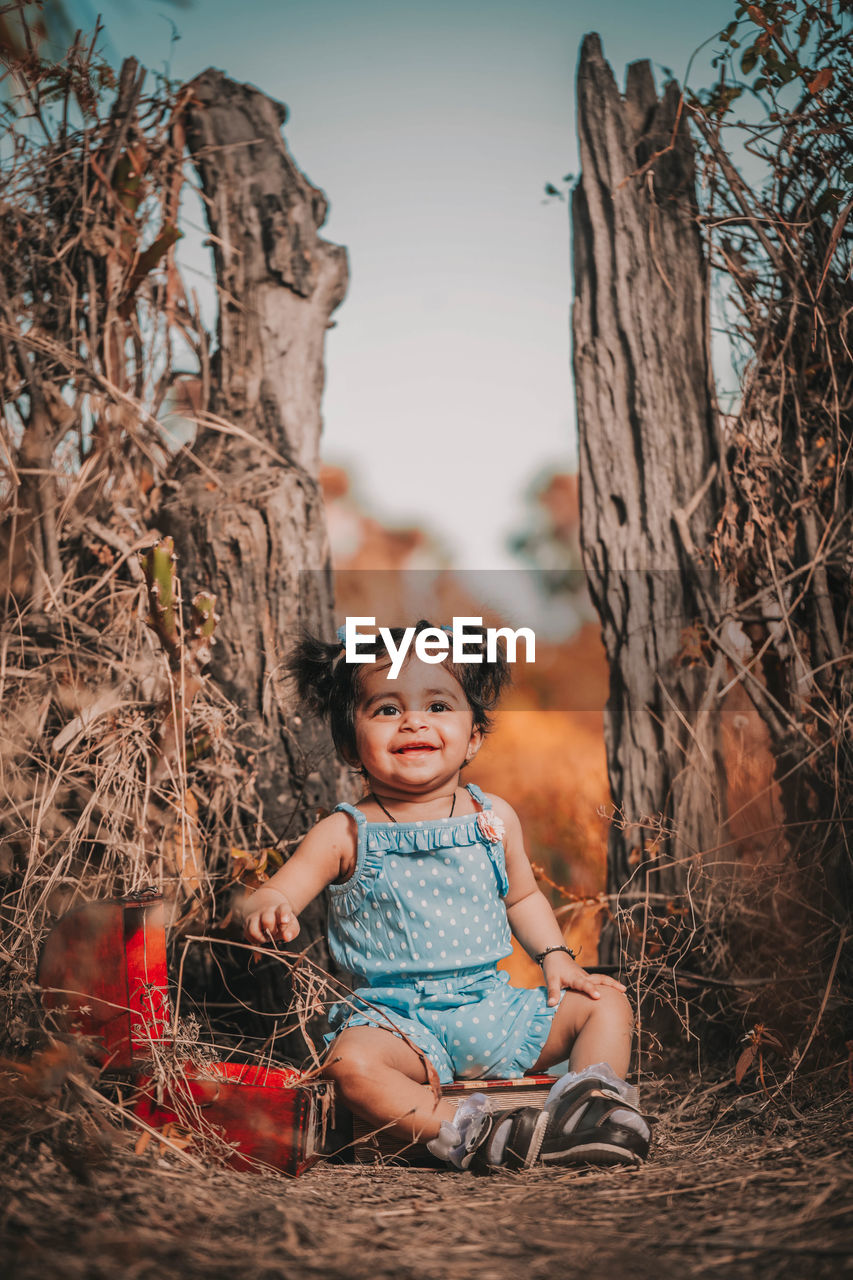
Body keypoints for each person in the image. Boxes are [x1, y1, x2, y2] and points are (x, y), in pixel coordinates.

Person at [241, 621, 650, 1172]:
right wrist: (269, 905)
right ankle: (473, 1135)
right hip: (397, 1025)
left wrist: (554, 956)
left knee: (606, 1000)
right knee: (348, 1065)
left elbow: (522, 898)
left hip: (494, 1009)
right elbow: (278, 888)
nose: (413, 721)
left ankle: (591, 1110)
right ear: (348, 742)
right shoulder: (345, 833)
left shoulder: (493, 817)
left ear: (474, 736)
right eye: (387, 710)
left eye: (438, 706)